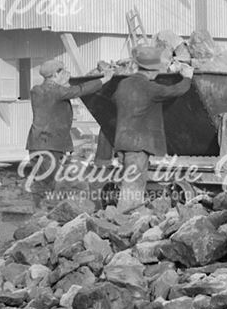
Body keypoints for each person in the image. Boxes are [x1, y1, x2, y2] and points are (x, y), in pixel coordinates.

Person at [113, 45, 193, 211]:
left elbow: (114, 100)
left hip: (121, 141)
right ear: (153, 70)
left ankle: (129, 218)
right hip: (137, 144)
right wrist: (187, 78)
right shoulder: (149, 88)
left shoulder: (123, 84)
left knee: (132, 181)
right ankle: (124, 219)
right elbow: (175, 91)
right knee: (133, 184)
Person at [26, 60, 111, 207]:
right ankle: (49, 214)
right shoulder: (56, 91)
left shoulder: (37, 90)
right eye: (63, 71)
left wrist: (63, 83)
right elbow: (80, 90)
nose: (66, 73)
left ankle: (39, 212)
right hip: (49, 144)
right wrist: (104, 79)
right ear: (55, 75)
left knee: (42, 180)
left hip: (37, 144)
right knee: (53, 182)